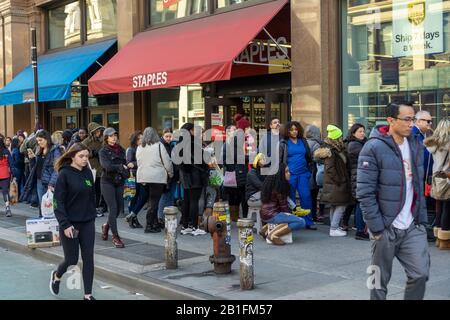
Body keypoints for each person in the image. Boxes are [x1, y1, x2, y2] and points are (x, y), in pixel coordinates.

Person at [357, 102, 429, 300]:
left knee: (420, 274)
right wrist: (377, 228)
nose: (411, 124)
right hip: (385, 227)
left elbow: (416, 185)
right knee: (378, 281)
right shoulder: (373, 147)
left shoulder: (415, 143)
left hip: (412, 226)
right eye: (407, 119)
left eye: (413, 119)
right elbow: (364, 191)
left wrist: (421, 220)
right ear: (390, 120)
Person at [50, 143, 97, 300]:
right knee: (72, 259)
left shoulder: (88, 173)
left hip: (88, 222)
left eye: (86, 156)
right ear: (72, 156)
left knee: (88, 257)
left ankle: (88, 295)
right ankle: (56, 275)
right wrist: (65, 224)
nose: (85, 159)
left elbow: (92, 195)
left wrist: (92, 212)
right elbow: (58, 203)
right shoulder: (64, 175)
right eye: (81, 156)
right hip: (70, 223)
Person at [314, 125, 352, 237]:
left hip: (334, 182)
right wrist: (340, 180)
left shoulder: (335, 149)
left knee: (335, 205)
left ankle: (334, 227)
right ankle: (334, 228)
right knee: (341, 205)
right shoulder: (331, 151)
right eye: (340, 136)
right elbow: (330, 169)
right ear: (337, 138)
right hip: (336, 183)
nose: (342, 138)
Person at [136, 127, 173, 233]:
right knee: (154, 202)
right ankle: (149, 225)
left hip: (143, 177)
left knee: (151, 200)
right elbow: (167, 161)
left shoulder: (140, 147)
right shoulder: (159, 145)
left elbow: (139, 162)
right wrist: (170, 174)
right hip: (157, 177)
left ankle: (154, 223)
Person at [280, 121, 316, 230]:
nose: (294, 131)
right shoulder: (284, 142)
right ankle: (293, 221)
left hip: (303, 173)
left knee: (306, 197)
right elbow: (281, 159)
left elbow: (308, 156)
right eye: (291, 130)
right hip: (290, 174)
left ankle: (308, 221)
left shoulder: (303, 141)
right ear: (287, 131)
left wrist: (309, 169)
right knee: (291, 199)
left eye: (296, 129)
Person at [260, 163, 306, 245]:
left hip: (265, 215)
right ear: (280, 174)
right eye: (286, 172)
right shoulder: (279, 187)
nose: (289, 173)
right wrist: (292, 216)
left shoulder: (271, 184)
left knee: (290, 218)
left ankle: (265, 229)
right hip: (272, 215)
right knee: (301, 222)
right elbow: (284, 208)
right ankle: (274, 235)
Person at [99, 128, 130, 248]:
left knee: (118, 209)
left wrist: (127, 166)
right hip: (107, 181)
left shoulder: (122, 149)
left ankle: (106, 226)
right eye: (111, 136)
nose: (114, 138)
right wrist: (121, 167)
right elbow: (107, 166)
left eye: (115, 135)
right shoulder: (103, 151)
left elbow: (125, 164)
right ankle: (116, 237)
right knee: (112, 208)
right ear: (106, 138)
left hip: (119, 181)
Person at [177, 123, 209, 236]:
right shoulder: (192, 143)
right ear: (190, 131)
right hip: (195, 176)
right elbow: (200, 160)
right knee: (194, 201)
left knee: (187, 201)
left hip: (185, 176)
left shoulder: (180, 143)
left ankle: (185, 226)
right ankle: (194, 227)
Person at [424, 118, 450, 250]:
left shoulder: (432, 144)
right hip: (447, 177)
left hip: (435, 177)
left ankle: (438, 239)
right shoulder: (448, 143)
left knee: (439, 207)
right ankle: (445, 241)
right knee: (447, 208)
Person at [28, 130, 62, 212]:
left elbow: (57, 168)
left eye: (40, 140)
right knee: (42, 206)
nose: (39, 142)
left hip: (49, 182)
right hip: (39, 181)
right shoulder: (39, 149)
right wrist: (32, 158)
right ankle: (42, 222)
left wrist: (51, 183)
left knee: (51, 206)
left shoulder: (55, 150)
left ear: (47, 139)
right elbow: (36, 166)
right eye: (37, 141)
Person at [223, 120, 250, 222]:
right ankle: (236, 216)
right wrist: (248, 157)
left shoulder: (237, 143)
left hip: (238, 172)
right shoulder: (229, 144)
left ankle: (235, 216)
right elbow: (232, 158)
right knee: (236, 195)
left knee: (238, 195)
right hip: (235, 172)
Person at [345, 123, 369, 240]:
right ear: (353, 133)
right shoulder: (354, 145)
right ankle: (360, 231)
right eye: (360, 131)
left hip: (361, 176)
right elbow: (367, 156)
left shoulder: (362, 143)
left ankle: (359, 227)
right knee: (360, 202)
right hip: (358, 177)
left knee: (360, 202)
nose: (363, 133)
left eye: (363, 131)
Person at [82, 122, 106, 217]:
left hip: (102, 167)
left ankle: (102, 206)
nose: (99, 132)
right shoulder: (86, 142)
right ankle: (94, 207)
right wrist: (93, 153)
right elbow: (82, 152)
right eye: (97, 131)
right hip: (92, 168)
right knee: (94, 189)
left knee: (102, 189)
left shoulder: (102, 140)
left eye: (99, 130)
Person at [125, 130, 145, 229]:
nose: (142, 140)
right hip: (134, 175)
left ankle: (132, 215)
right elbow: (129, 163)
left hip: (142, 175)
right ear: (135, 140)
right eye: (140, 138)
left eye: (142, 138)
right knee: (134, 197)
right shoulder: (131, 149)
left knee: (143, 196)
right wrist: (139, 163)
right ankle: (133, 219)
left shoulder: (143, 148)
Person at [305, 124, 324, 223]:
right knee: (313, 196)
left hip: (305, 171)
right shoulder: (316, 144)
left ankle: (308, 215)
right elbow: (317, 159)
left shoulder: (304, 142)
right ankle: (313, 216)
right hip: (313, 172)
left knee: (307, 196)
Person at [157, 128, 176, 227]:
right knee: (165, 197)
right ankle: (160, 218)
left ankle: (167, 217)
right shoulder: (162, 145)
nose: (168, 138)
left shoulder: (170, 145)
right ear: (162, 136)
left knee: (169, 196)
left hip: (170, 175)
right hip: (165, 175)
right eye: (166, 136)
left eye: (170, 136)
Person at [0, 137, 13, 217]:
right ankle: (8, 208)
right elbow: (11, 163)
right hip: (5, 174)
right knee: (5, 192)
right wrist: (13, 174)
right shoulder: (6, 151)